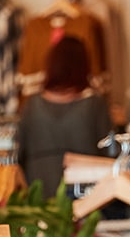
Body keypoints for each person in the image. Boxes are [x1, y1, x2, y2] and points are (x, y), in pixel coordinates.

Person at [15, 33, 113, 197]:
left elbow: (18, 155)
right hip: (86, 200)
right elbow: (111, 154)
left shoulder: (32, 105)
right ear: (84, 65)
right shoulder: (95, 104)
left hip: (38, 200)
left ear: (51, 64)